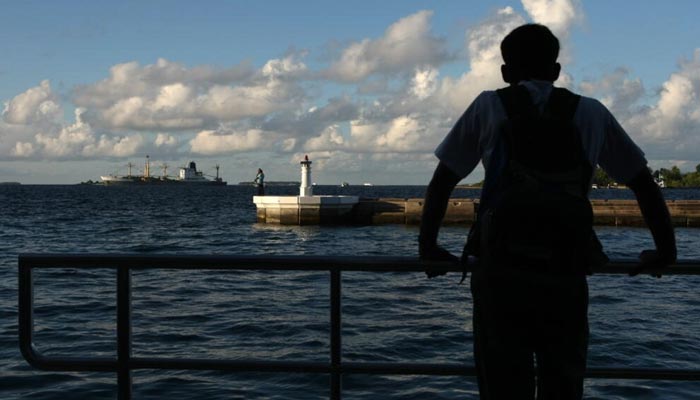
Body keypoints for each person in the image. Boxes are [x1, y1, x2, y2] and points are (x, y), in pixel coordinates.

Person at [418, 24, 676, 399]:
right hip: (565, 271)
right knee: (563, 383)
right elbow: (644, 186)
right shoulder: (591, 113)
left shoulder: (488, 106)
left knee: (503, 385)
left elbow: (441, 183)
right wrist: (666, 251)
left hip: (501, 274)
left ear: (505, 72)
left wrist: (428, 247)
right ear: (556, 71)